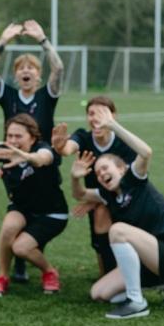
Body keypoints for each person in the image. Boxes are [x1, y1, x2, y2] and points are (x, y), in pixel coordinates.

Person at [69, 104, 164, 320]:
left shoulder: (134, 179)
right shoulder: (107, 194)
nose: (102, 174)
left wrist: (113, 126)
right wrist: (75, 176)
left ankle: (137, 302)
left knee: (117, 230)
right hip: (150, 261)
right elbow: (79, 195)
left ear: (122, 169)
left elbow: (146, 152)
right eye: (98, 173)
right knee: (98, 293)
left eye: (106, 168)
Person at [0, 19, 64, 283]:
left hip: (43, 160)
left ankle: (30, 253)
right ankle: (16, 263)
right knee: (20, 203)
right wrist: (3, 41)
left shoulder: (46, 96)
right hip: (14, 161)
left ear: (38, 75)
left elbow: (59, 68)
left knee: (42, 201)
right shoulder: (9, 97)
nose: (26, 71)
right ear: (16, 75)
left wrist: (42, 40)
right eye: (21, 68)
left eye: (31, 68)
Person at [0, 114, 68, 297]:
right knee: (9, 227)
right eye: (10, 136)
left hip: (51, 213)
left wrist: (23, 156)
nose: (13, 140)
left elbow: (41, 159)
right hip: (22, 209)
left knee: (21, 248)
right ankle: (3, 277)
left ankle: (49, 271)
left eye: (18, 136)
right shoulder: (5, 149)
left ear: (33, 137)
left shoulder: (43, 149)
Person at [51, 96, 137, 277]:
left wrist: (96, 201)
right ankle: (107, 276)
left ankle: (120, 275)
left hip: (124, 199)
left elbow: (129, 183)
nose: (95, 118)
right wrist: (60, 147)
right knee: (100, 240)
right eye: (91, 113)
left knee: (106, 220)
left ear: (114, 116)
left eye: (101, 113)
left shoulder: (124, 143)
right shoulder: (83, 136)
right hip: (94, 196)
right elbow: (68, 148)